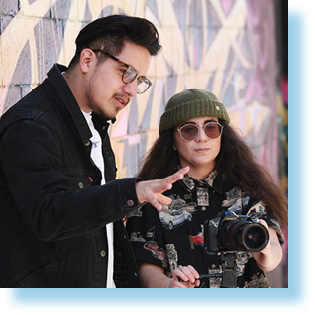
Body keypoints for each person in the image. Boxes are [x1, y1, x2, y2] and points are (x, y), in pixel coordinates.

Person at [0, 14, 189, 288]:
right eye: (127, 72)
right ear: (88, 60)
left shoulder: (94, 124)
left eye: (140, 79)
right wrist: (128, 192)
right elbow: (49, 215)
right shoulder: (32, 126)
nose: (133, 89)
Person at [126, 89, 288, 288]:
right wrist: (168, 286)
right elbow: (146, 268)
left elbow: (272, 249)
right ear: (173, 142)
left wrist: (265, 254)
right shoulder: (153, 195)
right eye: (189, 130)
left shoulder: (247, 189)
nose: (201, 137)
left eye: (211, 128)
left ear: (222, 135)